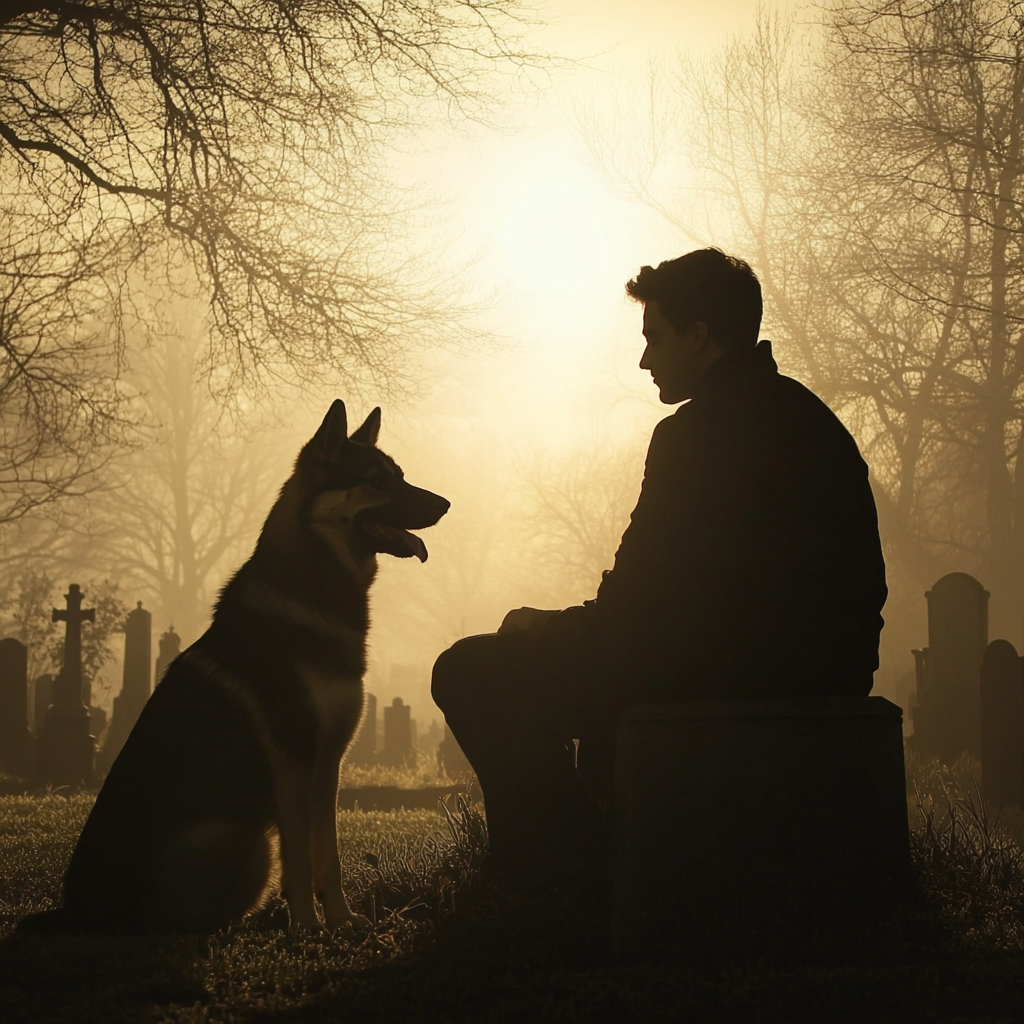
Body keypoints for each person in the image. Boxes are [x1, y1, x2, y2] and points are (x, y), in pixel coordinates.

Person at [431, 248, 887, 889]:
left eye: (654, 338)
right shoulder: (817, 423)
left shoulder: (692, 436)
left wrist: (544, 627)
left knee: (468, 671)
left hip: (715, 673)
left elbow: (636, 609)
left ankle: (565, 872)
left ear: (699, 336)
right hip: (828, 672)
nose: (645, 360)